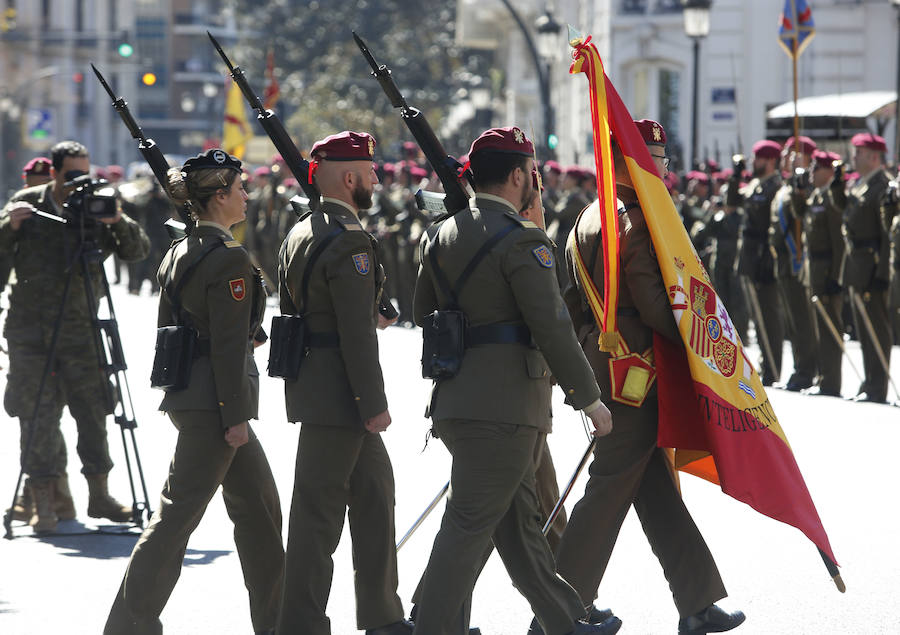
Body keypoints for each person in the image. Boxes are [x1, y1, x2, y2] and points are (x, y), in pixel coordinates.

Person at [411, 126, 619, 635]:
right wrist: (589, 399)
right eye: (532, 172)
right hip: (504, 411)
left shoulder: (442, 233)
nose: (537, 181)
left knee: (520, 527)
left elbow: (423, 310)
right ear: (515, 176)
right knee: (467, 527)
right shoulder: (524, 239)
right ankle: (430, 625)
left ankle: (565, 620)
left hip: (458, 401)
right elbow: (552, 326)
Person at [552, 121, 745, 635]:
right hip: (637, 376)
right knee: (610, 490)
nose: (665, 168)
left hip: (608, 370)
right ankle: (557, 611)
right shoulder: (635, 221)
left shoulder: (588, 218)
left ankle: (699, 603)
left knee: (654, 489)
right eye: (656, 157)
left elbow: (571, 304)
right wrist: (708, 337)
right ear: (631, 161)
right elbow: (657, 306)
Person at [104, 149, 283, 635]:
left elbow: (188, 325)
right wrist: (234, 415)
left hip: (198, 397)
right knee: (176, 519)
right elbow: (224, 346)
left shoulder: (183, 247)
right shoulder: (226, 256)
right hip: (216, 406)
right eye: (239, 188)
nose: (247, 195)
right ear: (219, 196)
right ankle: (128, 625)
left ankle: (280, 624)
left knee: (262, 513)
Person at [275, 131, 410, 635]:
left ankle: (383, 614)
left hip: (320, 385)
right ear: (349, 177)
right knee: (317, 516)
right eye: (370, 170)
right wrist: (374, 404)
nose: (377, 177)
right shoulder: (349, 239)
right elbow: (355, 335)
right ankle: (301, 623)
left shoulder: (304, 230)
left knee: (376, 498)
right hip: (342, 397)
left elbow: (313, 310)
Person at [0, 141, 149, 533]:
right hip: (30, 332)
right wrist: (9, 227)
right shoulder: (27, 204)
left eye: (86, 172)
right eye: (72, 174)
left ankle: (99, 495)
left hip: (82, 330)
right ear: (54, 172)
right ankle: (43, 501)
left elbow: (137, 253)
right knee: (36, 415)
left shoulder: (98, 203)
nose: (80, 181)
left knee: (94, 410)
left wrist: (117, 221)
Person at [828, 133, 893, 402]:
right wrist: (836, 185)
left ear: (874, 156)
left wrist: (881, 274)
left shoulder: (883, 186)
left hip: (872, 265)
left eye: (859, 153)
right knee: (864, 330)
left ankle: (878, 386)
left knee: (876, 328)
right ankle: (869, 382)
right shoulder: (861, 185)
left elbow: (887, 234)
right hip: (856, 265)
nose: (853, 157)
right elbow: (845, 209)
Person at [729, 140, 784, 385]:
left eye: (758, 158)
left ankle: (773, 368)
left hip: (763, 257)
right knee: (757, 315)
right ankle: (765, 364)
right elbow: (732, 203)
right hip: (749, 257)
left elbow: (773, 227)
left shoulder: (776, 186)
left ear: (771, 160)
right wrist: (736, 175)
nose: (754, 162)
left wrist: (768, 258)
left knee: (769, 315)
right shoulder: (754, 184)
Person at [769, 136, 819, 390]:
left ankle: (806, 371)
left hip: (799, 263)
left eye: (795, 153)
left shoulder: (806, 187)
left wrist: (803, 188)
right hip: (784, 264)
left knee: (803, 321)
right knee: (792, 322)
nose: (789, 157)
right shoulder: (785, 187)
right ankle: (800, 367)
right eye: (788, 153)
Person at [793, 150, 845, 396]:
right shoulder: (816, 197)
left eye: (816, 168)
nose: (811, 172)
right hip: (813, 269)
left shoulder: (831, 201)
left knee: (830, 329)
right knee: (818, 328)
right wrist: (799, 191)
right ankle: (824, 378)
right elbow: (799, 213)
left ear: (829, 171)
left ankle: (831, 382)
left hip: (827, 271)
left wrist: (836, 276)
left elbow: (838, 242)